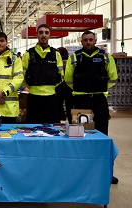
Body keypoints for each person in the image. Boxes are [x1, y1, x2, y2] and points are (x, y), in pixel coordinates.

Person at [65, 30, 118, 184]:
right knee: (81, 135)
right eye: (85, 40)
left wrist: (98, 88)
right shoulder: (74, 57)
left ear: (95, 41)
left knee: (102, 136)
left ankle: (105, 172)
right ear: (81, 42)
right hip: (81, 101)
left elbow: (113, 77)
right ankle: (81, 172)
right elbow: (68, 79)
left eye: (91, 39)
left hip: (99, 101)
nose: (88, 42)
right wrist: (82, 89)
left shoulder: (106, 57)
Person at [22, 24, 64, 124]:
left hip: (51, 97)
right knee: (32, 127)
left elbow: (61, 75)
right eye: (41, 33)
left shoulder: (56, 54)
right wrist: (31, 87)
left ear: (50, 35)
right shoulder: (28, 54)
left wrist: (51, 88)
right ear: (37, 35)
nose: (43, 35)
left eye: (46, 33)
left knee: (51, 127)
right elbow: (22, 75)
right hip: (33, 96)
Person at [55, 47, 73, 123]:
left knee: (58, 105)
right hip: (69, 87)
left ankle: (58, 122)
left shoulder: (57, 61)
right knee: (70, 107)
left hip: (59, 86)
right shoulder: (70, 61)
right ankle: (71, 123)